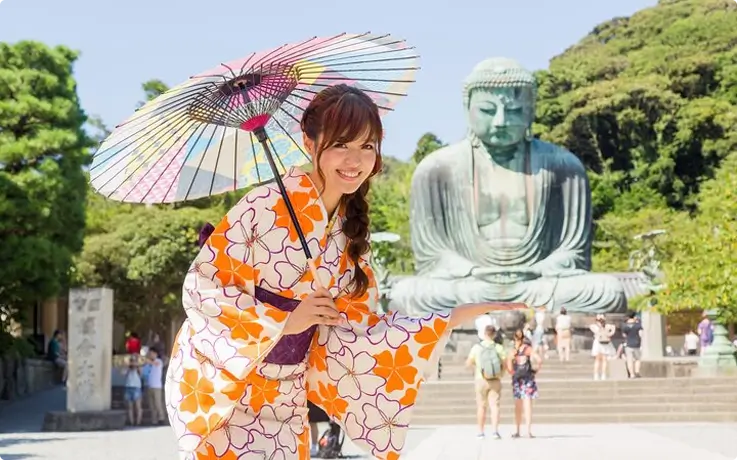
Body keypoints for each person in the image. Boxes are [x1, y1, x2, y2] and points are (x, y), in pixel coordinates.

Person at [165, 84, 528, 460]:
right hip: (226, 390)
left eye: (367, 146)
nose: (355, 160)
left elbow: (363, 329)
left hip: (285, 397)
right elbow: (201, 287)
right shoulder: (263, 205)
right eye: (341, 144)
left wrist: (451, 317)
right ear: (310, 142)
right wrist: (283, 321)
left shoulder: (349, 232)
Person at [466, 325, 506, 439]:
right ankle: (495, 431)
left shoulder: (477, 348)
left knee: (481, 406)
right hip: (495, 379)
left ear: (484, 334)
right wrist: (501, 373)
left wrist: (476, 367)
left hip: (481, 379)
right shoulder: (498, 347)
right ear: (494, 334)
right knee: (495, 406)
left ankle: (481, 432)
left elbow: (468, 363)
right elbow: (504, 363)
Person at [507, 328, 541, 438]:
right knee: (528, 405)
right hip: (528, 379)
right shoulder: (528, 349)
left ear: (514, 338)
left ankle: (517, 430)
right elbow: (539, 360)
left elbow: (508, 366)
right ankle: (528, 430)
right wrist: (535, 370)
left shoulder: (512, 351)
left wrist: (513, 373)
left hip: (517, 380)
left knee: (518, 406)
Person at [590, 314, 616, 380]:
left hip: (602, 343)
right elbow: (611, 331)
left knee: (601, 359)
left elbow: (612, 330)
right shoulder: (599, 326)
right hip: (601, 343)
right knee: (600, 359)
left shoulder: (604, 326)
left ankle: (600, 374)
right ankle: (599, 374)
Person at [144, 348, 166, 425]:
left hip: (157, 386)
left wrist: (147, 360)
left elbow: (155, 364)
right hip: (149, 386)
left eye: (152, 353)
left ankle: (161, 418)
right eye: (150, 354)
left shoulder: (158, 361)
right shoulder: (148, 364)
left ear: (155, 354)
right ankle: (154, 420)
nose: (150, 355)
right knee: (151, 404)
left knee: (158, 403)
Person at [122, 355, 143, 426]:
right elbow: (122, 373)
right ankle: (131, 422)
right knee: (130, 406)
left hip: (136, 387)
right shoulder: (128, 369)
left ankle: (138, 422)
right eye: (132, 361)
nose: (133, 363)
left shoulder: (138, 368)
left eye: (134, 361)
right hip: (128, 387)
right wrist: (127, 366)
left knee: (138, 406)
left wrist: (136, 365)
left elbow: (141, 372)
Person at [621, 311, 643, 378]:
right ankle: (637, 372)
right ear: (634, 316)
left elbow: (624, 335)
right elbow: (641, 334)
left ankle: (631, 374)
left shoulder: (625, 326)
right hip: (636, 344)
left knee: (629, 360)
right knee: (637, 359)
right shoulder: (638, 325)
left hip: (628, 345)